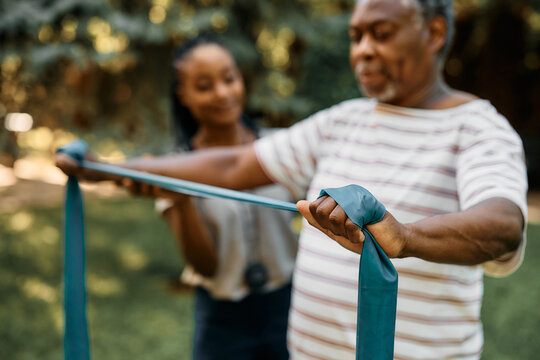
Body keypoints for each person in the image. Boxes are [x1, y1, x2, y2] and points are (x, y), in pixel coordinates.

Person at [56, 1, 528, 359]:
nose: (362, 50)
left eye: (380, 34)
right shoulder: (340, 121)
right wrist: (110, 168)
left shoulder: (478, 127)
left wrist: (403, 237)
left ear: (434, 32)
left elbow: (504, 225)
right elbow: (232, 167)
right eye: (356, 35)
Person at [127, 35, 298, 359]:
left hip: (289, 306)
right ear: (184, 96)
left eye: (229, 78)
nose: (222, 93)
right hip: (222, 322)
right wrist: (181, 197)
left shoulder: (281, 148)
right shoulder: (174, 171)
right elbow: (204, 267)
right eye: (204, 86)